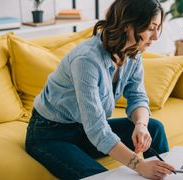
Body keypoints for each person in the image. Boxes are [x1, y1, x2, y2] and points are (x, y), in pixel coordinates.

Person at [25, 0, 175, 179]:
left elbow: (137, 96)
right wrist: (140, 165)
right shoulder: (86, 60)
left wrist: (141, 125)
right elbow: (97, 128)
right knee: (100, 176)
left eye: (158, 27)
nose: (156, 36)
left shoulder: (133, 53)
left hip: (83, 129)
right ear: (128, 25)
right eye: (151, 28)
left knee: (154, 128)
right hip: (50, 135)